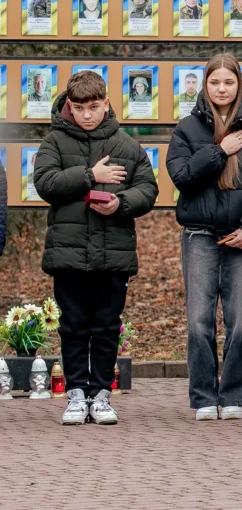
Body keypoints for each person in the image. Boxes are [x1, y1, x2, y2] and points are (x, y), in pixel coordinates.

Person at [34, 71, 158, 425]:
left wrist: (120, 204)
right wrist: (90, 176)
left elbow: (148, 190)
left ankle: (101, 395)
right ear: (68, 107)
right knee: (72, 326)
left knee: (106, 326)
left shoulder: (127, 145)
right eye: (78, 108)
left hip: (112, 253)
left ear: (106, 103)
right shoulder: (54, 143)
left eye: (93, 107)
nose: (86, 115)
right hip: (68, 254)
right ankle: (75, 394)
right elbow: (45, 183)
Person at [167, 54, 242, 422]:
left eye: (229, 82)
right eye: (214, 82)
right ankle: (204, 395)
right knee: (199, 320)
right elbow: (182, 177)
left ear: (240, 85)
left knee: (238, 320)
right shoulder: (187, 129)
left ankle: (233, 393)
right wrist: (220, 150)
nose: (222, 89)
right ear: (205, 85)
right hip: (200, 235)